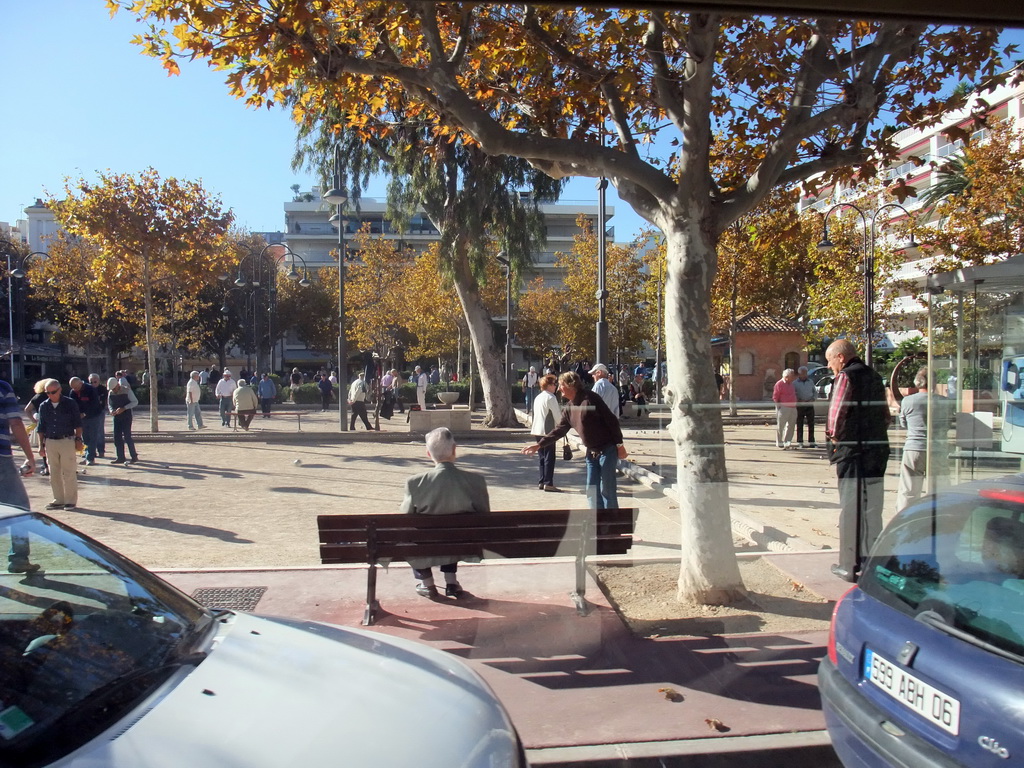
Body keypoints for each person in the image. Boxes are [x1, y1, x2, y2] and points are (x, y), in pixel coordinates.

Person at [824, 339, 890, 582]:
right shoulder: (874, 376)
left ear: (840, 357)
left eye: (830, 361)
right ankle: (872, 561)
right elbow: (885, 415)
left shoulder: (845, 377)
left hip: (853, 452)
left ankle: (848, 564)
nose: (830, 366)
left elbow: (836, 415)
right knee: (873, 508)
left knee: (851, 509)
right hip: (876, 450)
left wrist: (834, 442)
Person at [399, 427, 490, 599]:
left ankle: (427, 584)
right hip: (461, 542)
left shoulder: (414, 483)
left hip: (428, 543)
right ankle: (451, 582)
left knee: (411, 537)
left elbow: (406, 517)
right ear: (454, 450)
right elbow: (484, 513)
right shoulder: (476, 481)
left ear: (428, 453)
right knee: (454, 532)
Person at [522, 371, 629, 509]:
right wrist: (539, 445)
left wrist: (620, 445)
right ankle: (596, 522)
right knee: (591, 490)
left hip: (607, 449)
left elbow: (612, 421)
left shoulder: (590, 399)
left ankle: (612, 524)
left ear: (570, 385)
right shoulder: (569, 408)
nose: (559, 388)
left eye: (561, 385)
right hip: (591, 453)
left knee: (607, 490)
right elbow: (559, 430)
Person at [896, 367, 951, 512]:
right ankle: (939, 517)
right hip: (937, 449)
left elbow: (903, 423)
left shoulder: (907, 401)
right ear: (934, 383)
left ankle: (904, 518)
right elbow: (947, 424)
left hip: (914, 447)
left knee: (908, 489)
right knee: (939, 489)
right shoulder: (944, 401)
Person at [0, 379, 39, 573]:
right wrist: (30, 457)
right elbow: (15, 422)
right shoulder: (2, 387)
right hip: (1, 459)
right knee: (19, 507)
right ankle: (19, 558)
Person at [36, 379, 84, 511]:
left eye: (53, 392)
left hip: (66, 440)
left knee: (69, 471)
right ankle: (58, 499)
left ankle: (70, 501)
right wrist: (41, 446)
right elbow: (41, 428)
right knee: (53, 472)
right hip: (50, 441)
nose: (50, 395)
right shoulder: (44, 406)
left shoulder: (70, 403)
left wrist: (78, 439)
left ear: (59, 390)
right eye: (47, 393)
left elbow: (78, 423)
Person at [529, 374, 562, 492]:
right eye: (554, 384)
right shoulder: (551, 398)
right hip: (547, 430)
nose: (555, 386)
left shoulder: (538, 397)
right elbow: (557, 415)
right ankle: (548, 482)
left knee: (542, 457)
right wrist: (562, 426)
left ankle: (542, 481)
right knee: (549, 457)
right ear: (548, 385)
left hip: (537, 430)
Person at [69, 376, 103, 466]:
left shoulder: (91, 390)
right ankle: (87, 455)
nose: (75, 389)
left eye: (76, 387)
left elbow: (95, 405)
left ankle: (90, 458)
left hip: (93, 416)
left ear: (81, 383)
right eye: (73, 388)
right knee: (85, 437)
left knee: (93, 437)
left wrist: (85, 413)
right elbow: (72, 405)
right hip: (81, 418)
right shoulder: (73, 392)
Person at [107, 377, 139, 465]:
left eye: (114, 388)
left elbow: (135, 402)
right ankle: (120, 457)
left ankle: (134, 456)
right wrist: (111, 410)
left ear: (118, 385)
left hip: (126, 416)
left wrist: (124, 408)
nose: (114, 390)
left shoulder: (126, 390)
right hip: (116, 417)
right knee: (117, 437)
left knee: (127, 436)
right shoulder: (111, 392)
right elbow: (109, 404)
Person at [24, 379, 50, 476]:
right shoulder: (55, 396)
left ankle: (46, 466)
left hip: (42, 424)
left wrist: (34, 421)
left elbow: (27, 409)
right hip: (54, 424)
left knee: (43, 445)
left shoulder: (37, 397)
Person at [772, 369, 798, 450]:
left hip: (793, 407)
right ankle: (779, 442)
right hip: (783, 407)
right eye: (791, 376)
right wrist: (778, 406)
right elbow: (775, 396)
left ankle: (787, 441)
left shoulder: (792, 384)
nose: (793, 377)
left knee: (791, 426)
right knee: (781, 425)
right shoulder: (779, 384)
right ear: (786, 377)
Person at [793, 366, 817, 449]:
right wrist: (798, 400)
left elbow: (814, 392)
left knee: (811, 423)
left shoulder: (810, 381)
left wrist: (813, 399)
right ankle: (800, 441)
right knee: (800, 423)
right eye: (803, 373)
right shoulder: (795, 383)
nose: (805, 375)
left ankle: (812, 441)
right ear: (799, 374)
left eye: (806, 373)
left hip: (809, 404)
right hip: (800, 406)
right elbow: (794, 393)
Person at [88, 373, 108, 458]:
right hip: (89, 412)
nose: (93, 384)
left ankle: (101, 450)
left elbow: (104, 401)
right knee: (88, 432)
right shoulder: (87, 389)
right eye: (91, 382)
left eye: (95, 382)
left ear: (99, 381)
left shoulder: (103, 389)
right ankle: (89, 452)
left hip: (100, 412)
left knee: (99, 431)